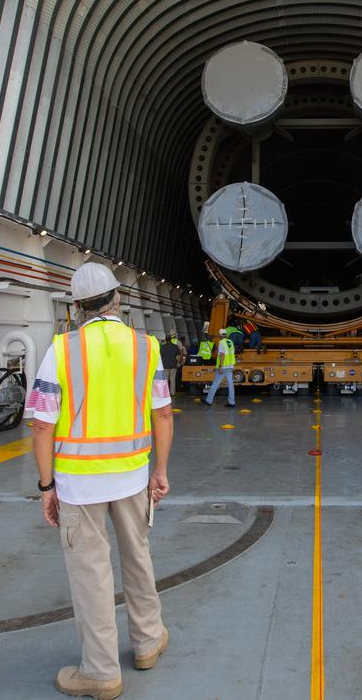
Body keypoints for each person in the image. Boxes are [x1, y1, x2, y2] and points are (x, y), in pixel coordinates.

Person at [27, 262, 173, 699]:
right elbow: (162, 414)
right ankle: (148, 642)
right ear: (117, 299)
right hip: (131, 476)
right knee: (138, 557)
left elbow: (41, 425)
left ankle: (101, 672)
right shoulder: (146, 347)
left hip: (78, 483)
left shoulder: (62, 350)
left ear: (76, 307)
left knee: (91, 572)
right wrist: (159, 472)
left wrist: (46, 486)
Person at [205, 329, 237, 407]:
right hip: (230, 366)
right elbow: (232, 354)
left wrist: (221, 366)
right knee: (230, 384)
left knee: (215, 383)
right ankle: (232, 402)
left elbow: (222, 355)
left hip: (224, 367)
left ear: (220, 335)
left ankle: (208, 400)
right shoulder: (231, 342)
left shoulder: (221, 343)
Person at [159, 331, 182, 396]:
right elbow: (178, 356)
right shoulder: (175, 346)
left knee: (165, 380)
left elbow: (160, 356)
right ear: (171, 339)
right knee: (172, 380)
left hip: (165, 366)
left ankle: (165, 393)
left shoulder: (162, 347)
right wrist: (177, 363)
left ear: (165, 340)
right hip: (173, 366)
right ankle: (172, 393)